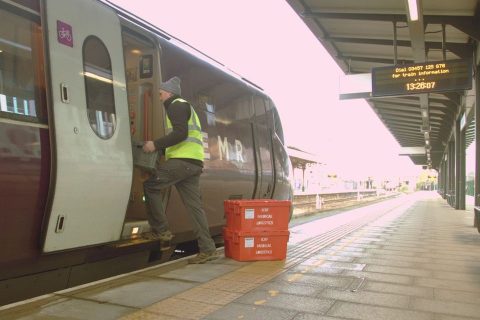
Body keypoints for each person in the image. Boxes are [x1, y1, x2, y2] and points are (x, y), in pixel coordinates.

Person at [142, 76, 219, 264]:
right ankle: (208, 249)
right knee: (195, 209)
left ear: (168, 92)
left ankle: (161, 231)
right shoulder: (184, 106)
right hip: (192, 163)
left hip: (182, 162)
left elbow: (180, 133)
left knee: (151, 185)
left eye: (160, 93)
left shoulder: (176, 104)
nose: (159, 98)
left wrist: (155, 145)